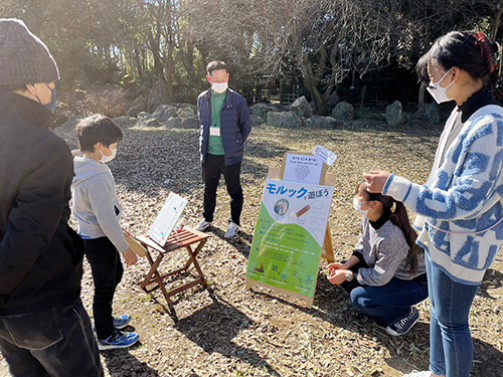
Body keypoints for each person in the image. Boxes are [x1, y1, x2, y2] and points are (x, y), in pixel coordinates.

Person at [364, 31, 502, 377]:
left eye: (433, 73)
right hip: (442, 237)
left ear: (453, 73)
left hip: (464, 244)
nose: (430, 81)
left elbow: (462, 202)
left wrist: (395, 186)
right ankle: (437, 372)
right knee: (441, 315)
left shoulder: (491, 126)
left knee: (453, 323)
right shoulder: (464, 113)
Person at [0, 19, 104, 376]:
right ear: (29, 84)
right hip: (44, 306)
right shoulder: (46, 148)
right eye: (50, 81)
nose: (54, 89)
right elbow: (27, 238)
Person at [72, 114, 140, 350]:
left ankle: (104, 320)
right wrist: (125, 248)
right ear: (99, 146)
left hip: (94, 236)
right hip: (99, 239)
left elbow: (75, 152)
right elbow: (106, 219)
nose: (115, 150)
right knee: (104, 286)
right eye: (113, 146)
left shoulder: (83, 164)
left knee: (114, 275)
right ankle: (105, 336)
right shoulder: (96, 178)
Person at [328, 181, 428, 336]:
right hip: (388, 271)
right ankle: (380, 298)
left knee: (359, 298)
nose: (355, 197)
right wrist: (346, 266)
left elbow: (380, 277)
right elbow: (363, 245)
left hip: (412, 283)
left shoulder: (391, 236)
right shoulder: (369, 217)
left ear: (374, 204)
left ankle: (402, 313)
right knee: (344, 272)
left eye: (358, 194)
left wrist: (348, 275)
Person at [195, 60, 252, 238]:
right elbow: (202, 124)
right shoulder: (202, 99)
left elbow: (246, 125)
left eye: (223, 77)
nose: (220, 81)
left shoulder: (237, 100)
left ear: (227, 77)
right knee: (209, 189)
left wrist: (235, 142)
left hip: (230, 156)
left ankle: (234, 223)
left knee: (234, 190)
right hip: (209, 153)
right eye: (216, 78)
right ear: (208, 79)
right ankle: (207, 219)